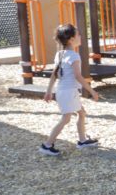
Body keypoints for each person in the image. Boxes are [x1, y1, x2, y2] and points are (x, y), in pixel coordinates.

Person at [39, 23, 99, 156]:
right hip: (69, 92)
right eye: (78, 34)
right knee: (66, 118)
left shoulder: (60, 54)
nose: (80, 36)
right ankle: (47, 145)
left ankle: (82, 140)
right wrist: (92, 91)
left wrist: (49, 91)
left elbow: (54, 73)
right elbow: (78, 76)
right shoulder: (74, 56)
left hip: (63, 91)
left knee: (81, 113)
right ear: (71, 39)